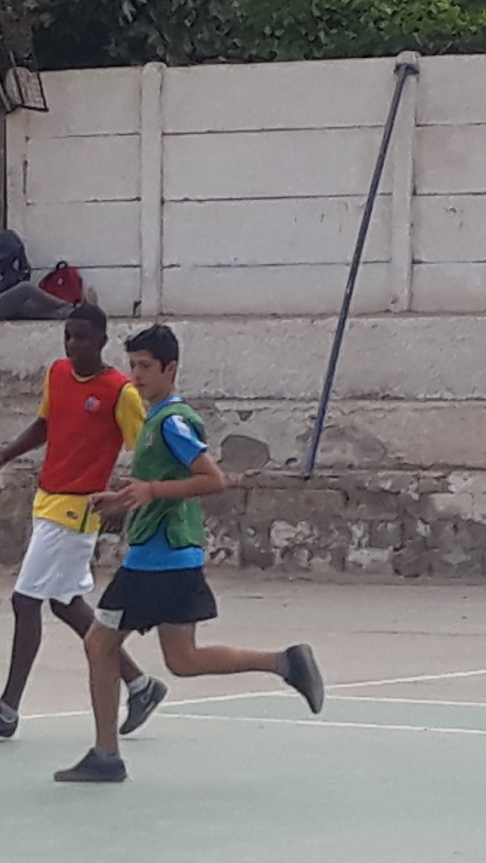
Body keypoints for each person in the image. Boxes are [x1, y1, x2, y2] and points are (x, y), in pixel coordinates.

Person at [56, 325, 325, 784]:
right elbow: (158, 485)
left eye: (145, 366)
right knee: (183, 660)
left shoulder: (172, 423)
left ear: (171, 369)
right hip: (171, 557)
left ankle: (106, 754)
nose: (136, 375)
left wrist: (151, 491)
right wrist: (124, 498)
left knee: (99, 643)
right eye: (132, 366)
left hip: (156, 559)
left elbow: (212, 480)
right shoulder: (154, 419)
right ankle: (284, 662)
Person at [0, 299, 155, 742]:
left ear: (102, 340)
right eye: (68, 336)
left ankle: (7, 709)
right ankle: (141, 685)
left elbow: (146, 448)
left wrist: (128, 498)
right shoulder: (58, 374)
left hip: (77, 511)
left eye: (82, 337)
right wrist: (5, 455)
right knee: (65, 603)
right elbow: (45, 425)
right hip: (47, 501)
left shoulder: (119, 391)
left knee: (25, 601)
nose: (72, 344)